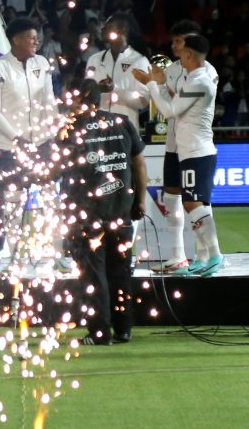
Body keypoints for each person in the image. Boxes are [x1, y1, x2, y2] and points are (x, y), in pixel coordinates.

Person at [62, 79, 146, 345]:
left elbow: (57, 169)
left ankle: (99, 332)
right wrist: (140, 201)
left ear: (80, 98)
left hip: (89, 215)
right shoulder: (122, 122)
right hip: (121, 209)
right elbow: (139, 164)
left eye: (70, 98)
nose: (67, 104)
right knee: (120, 271)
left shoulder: (71, 128)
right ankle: (123, 329)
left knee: (94, 274)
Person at [135, 34, 224, 277]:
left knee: (193, 203)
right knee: (193, 203)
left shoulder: (200, 81)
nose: (178, 55)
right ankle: (203, 258)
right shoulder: (193, 79)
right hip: (189, 151)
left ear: (189, 55)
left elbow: (169, 111)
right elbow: (174, 103)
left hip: (197, 151)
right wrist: (160, 85)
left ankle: (215, 255)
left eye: (182, 51)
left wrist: (152, 84)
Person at [0, 17, 58, 267]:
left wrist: (52, 131)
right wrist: (17, 138)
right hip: (11, 148)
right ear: (16, 40)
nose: (36, 41)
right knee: (12, 201)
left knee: (50, 197)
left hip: (42, 144)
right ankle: (12, 254)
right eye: (31, 38)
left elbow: (49, 100)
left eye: (37, 37)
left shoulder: (42, 63)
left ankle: (54, 252)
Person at [84, 13, 151, 131]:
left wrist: (115, 90)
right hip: (99, 132)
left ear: (123, 29)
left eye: (108, 25)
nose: (102, 28)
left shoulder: (139, 61)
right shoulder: (94, 60)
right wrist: (96, 90)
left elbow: (143, 102)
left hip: (126, 133)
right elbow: (86, 96)